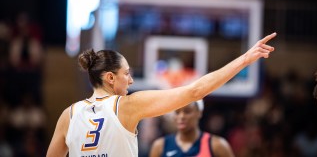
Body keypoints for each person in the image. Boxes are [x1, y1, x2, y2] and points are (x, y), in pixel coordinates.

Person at [46, 32, 276, 157]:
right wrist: (245, 59)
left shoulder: (68, 114)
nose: (132, 80)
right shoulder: (127, 105)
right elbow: (195, 90)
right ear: (110, 78)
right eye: (127, 73)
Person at [149, 100, 235, 157]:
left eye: (187, 111)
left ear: (199, 113)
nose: (181, 116)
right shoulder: (160, 146)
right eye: (177, 112)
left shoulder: (217, 145)